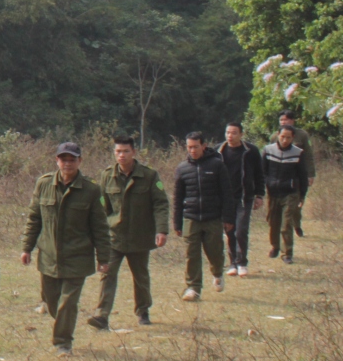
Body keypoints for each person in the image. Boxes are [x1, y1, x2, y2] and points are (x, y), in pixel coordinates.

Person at [20, 142, 110, 356]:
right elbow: (34, 218)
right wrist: (27, 248)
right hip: (49, 256)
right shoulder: (44, 184)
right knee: (53, 302)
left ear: (80, 161)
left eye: (72, 159)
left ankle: (63, 343)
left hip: (78, 256)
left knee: (68, 302)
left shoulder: (91, 189)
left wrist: (103, 257)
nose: (67, 163)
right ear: (56, 160)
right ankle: (63, 325)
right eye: (63, 159)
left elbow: (100, 226)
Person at [89, 135, 169, 330]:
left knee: (140, 276)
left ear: (134, 152)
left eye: (125, 151)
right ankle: (102, 315)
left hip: (139, 236)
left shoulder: (149, 176)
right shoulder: (107, 176)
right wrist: (99, 231)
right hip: (114, 237)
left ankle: (143, 311)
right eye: (118, 151)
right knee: (107, 275)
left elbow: (160, 203)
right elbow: (102, 206)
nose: (121, 155)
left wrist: (161, 230)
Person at [171, 132, 236, 301]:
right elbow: (177, 198)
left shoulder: (217, 165)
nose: (192, 150)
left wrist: (229, 218)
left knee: (214, 251)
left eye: (195, 147)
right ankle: (193, 287)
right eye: (189, 147)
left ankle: (217, 273)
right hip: (190, 217)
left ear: (203, 146)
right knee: (191, 254)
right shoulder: (182, 168)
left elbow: (227, 193)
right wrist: (177, 222)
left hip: (213, 217)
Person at [218, 122, 264, 277]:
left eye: (234, 133)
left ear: (241, 134)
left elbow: (259, 174)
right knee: (229, 230)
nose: (230, 136)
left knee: (241, 230)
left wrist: (259, 195)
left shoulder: (251, 151)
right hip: (225, 199)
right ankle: (232, 263)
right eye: (228, 132)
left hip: (244, 197)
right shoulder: (218, 151)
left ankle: (242, 262)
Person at [262, 125, 309, 264]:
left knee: (286, 223)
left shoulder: (298, 153)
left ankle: (287, 253)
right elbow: (262, 171)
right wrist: (265, 185)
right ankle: (275, 246)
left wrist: (302, 195)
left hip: (290, 193)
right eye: (282, 136)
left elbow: (302, 175)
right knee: (273, 222)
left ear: (293, 138)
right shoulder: (268, 150)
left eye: (288, 137)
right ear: (277, 135)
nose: (285, 140)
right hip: (273, 193)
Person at [277, 109, 316, 237]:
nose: (284, 122)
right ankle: (284, 226)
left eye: (286, 119)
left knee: (297, 202)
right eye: (281, 120)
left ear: (292, 121)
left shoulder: (302, 135)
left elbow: (309, 156)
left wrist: (310, 174)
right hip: (281, 175)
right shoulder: (275, 135)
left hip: (298, 175)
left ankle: (297, 225)